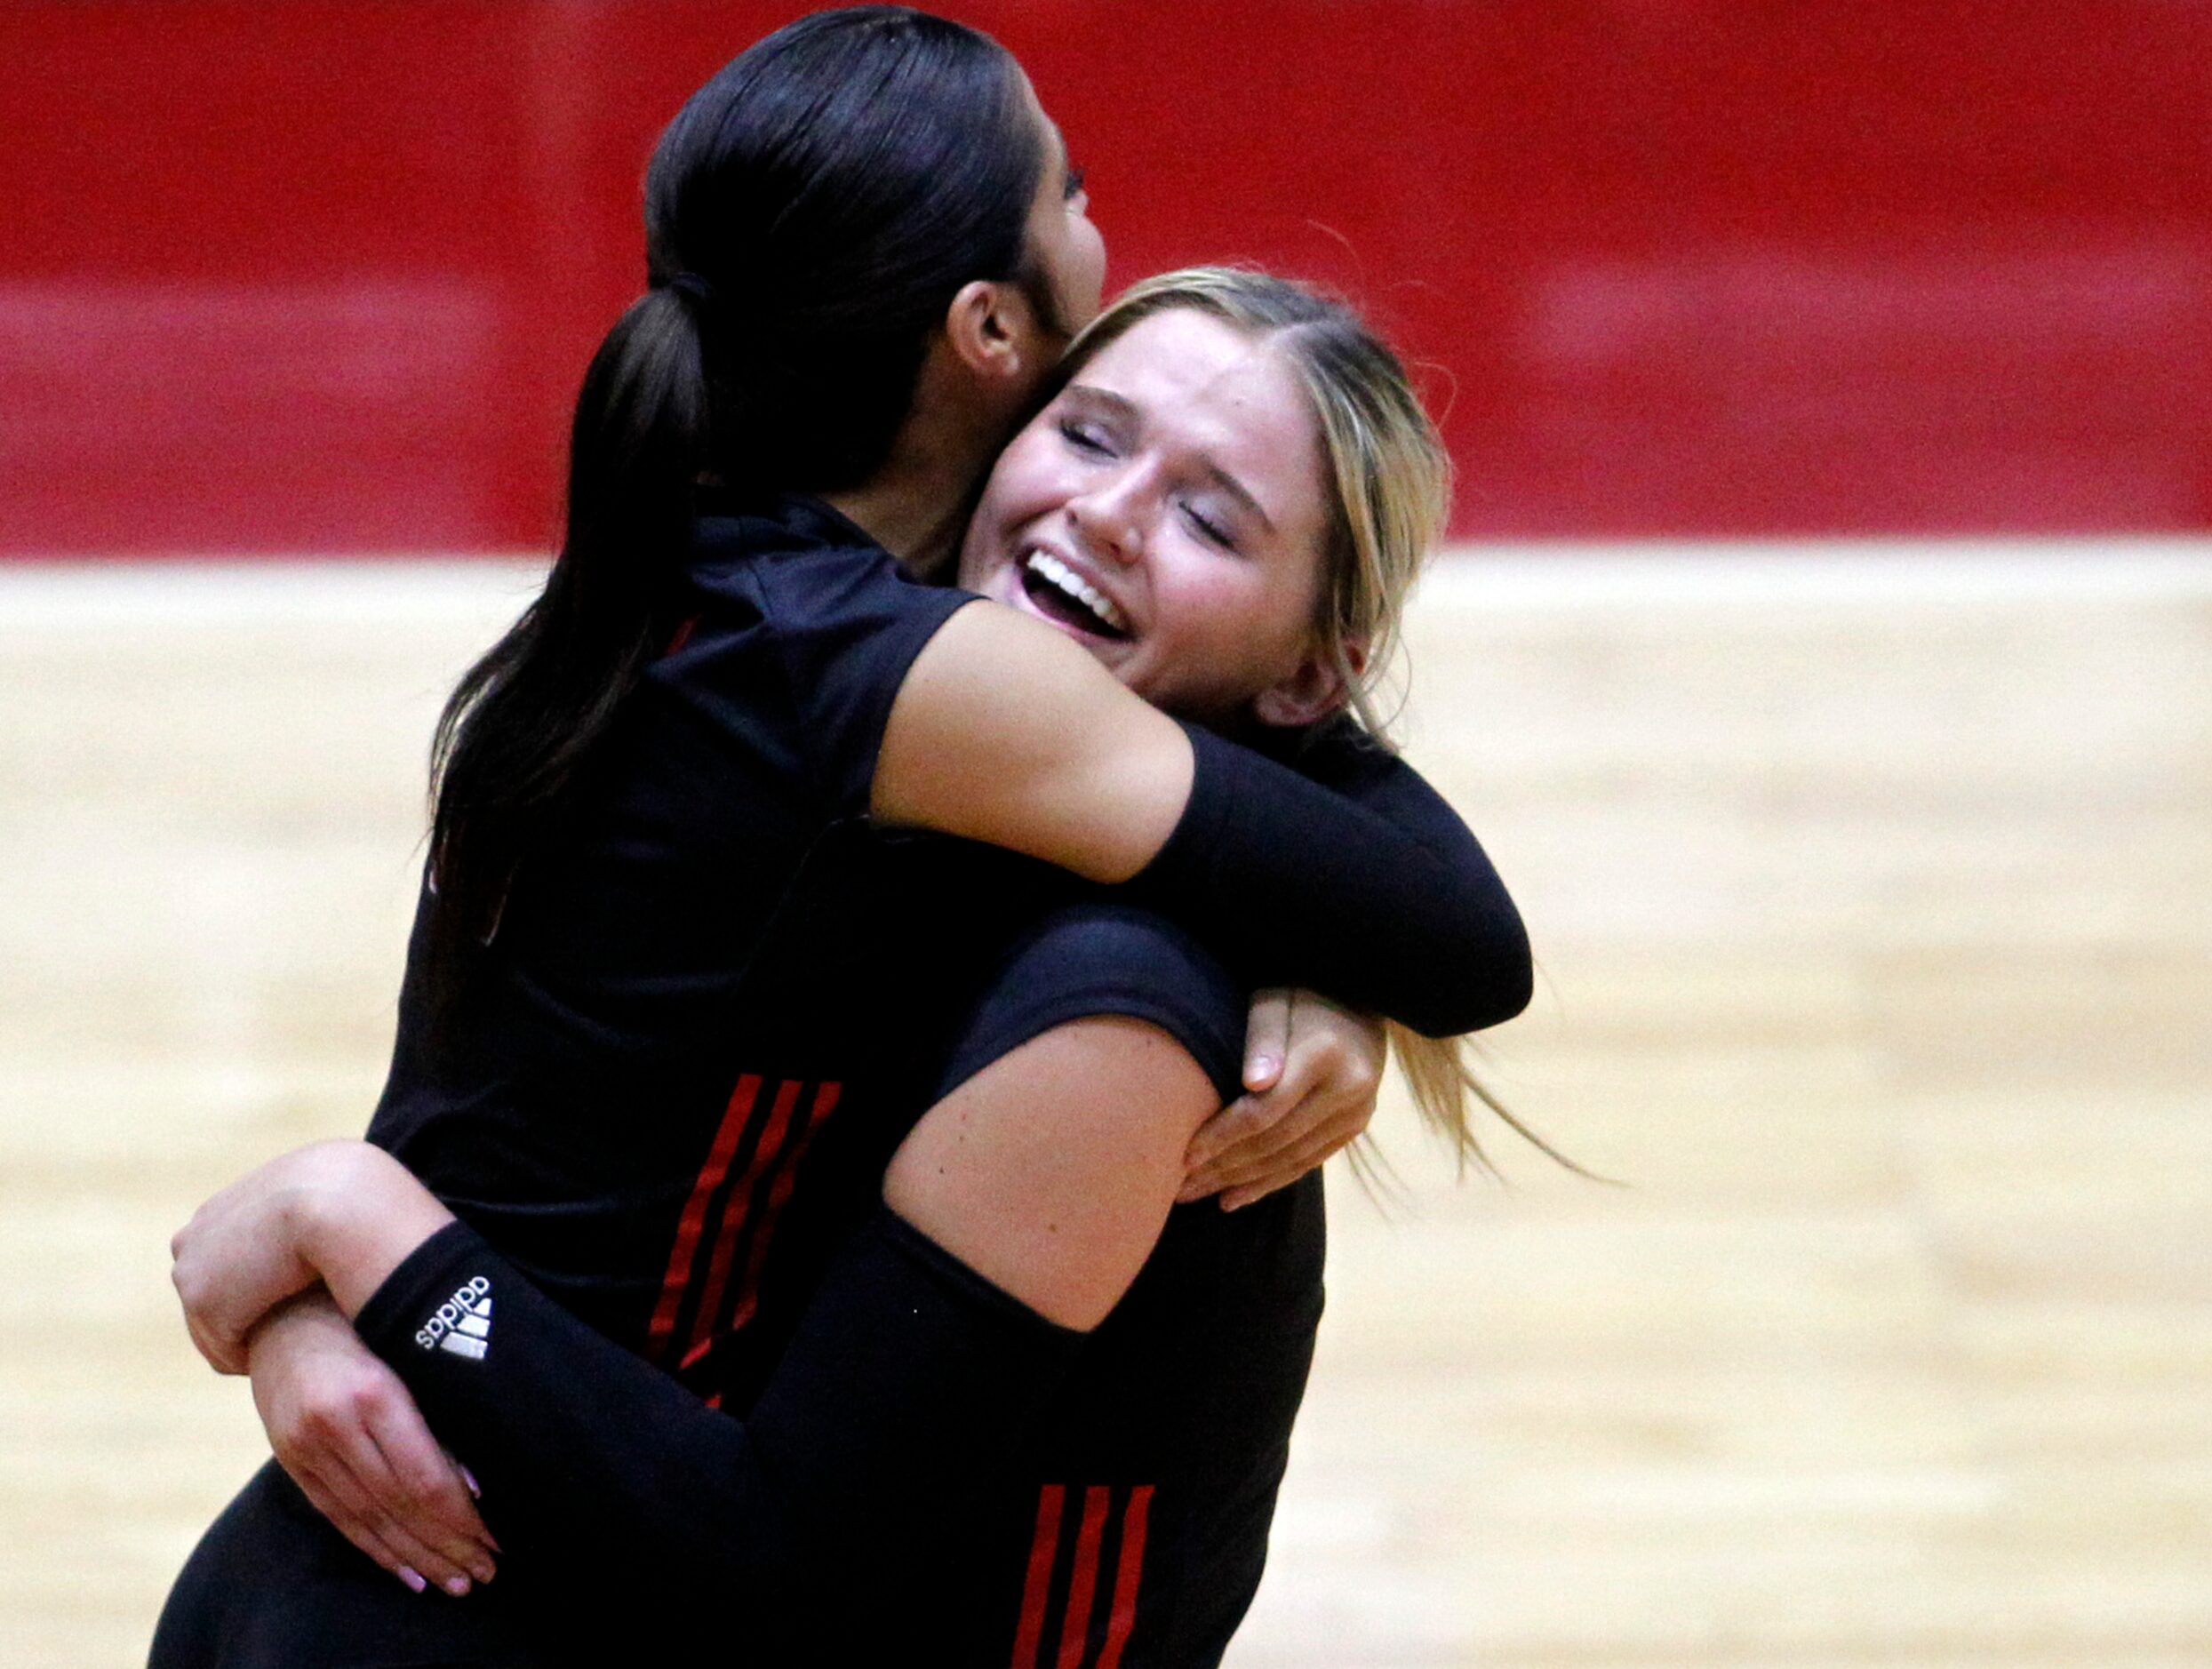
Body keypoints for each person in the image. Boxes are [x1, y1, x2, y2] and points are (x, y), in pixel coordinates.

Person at [152, 2, 1528, 1657]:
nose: (1101, 502)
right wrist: (339, 1233)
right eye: (1092, 429)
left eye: (1209, 512)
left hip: (380, 1565)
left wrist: (344, 1254)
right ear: (988, 338)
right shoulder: (897, 692)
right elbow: (1458, 929)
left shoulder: (688, 565)